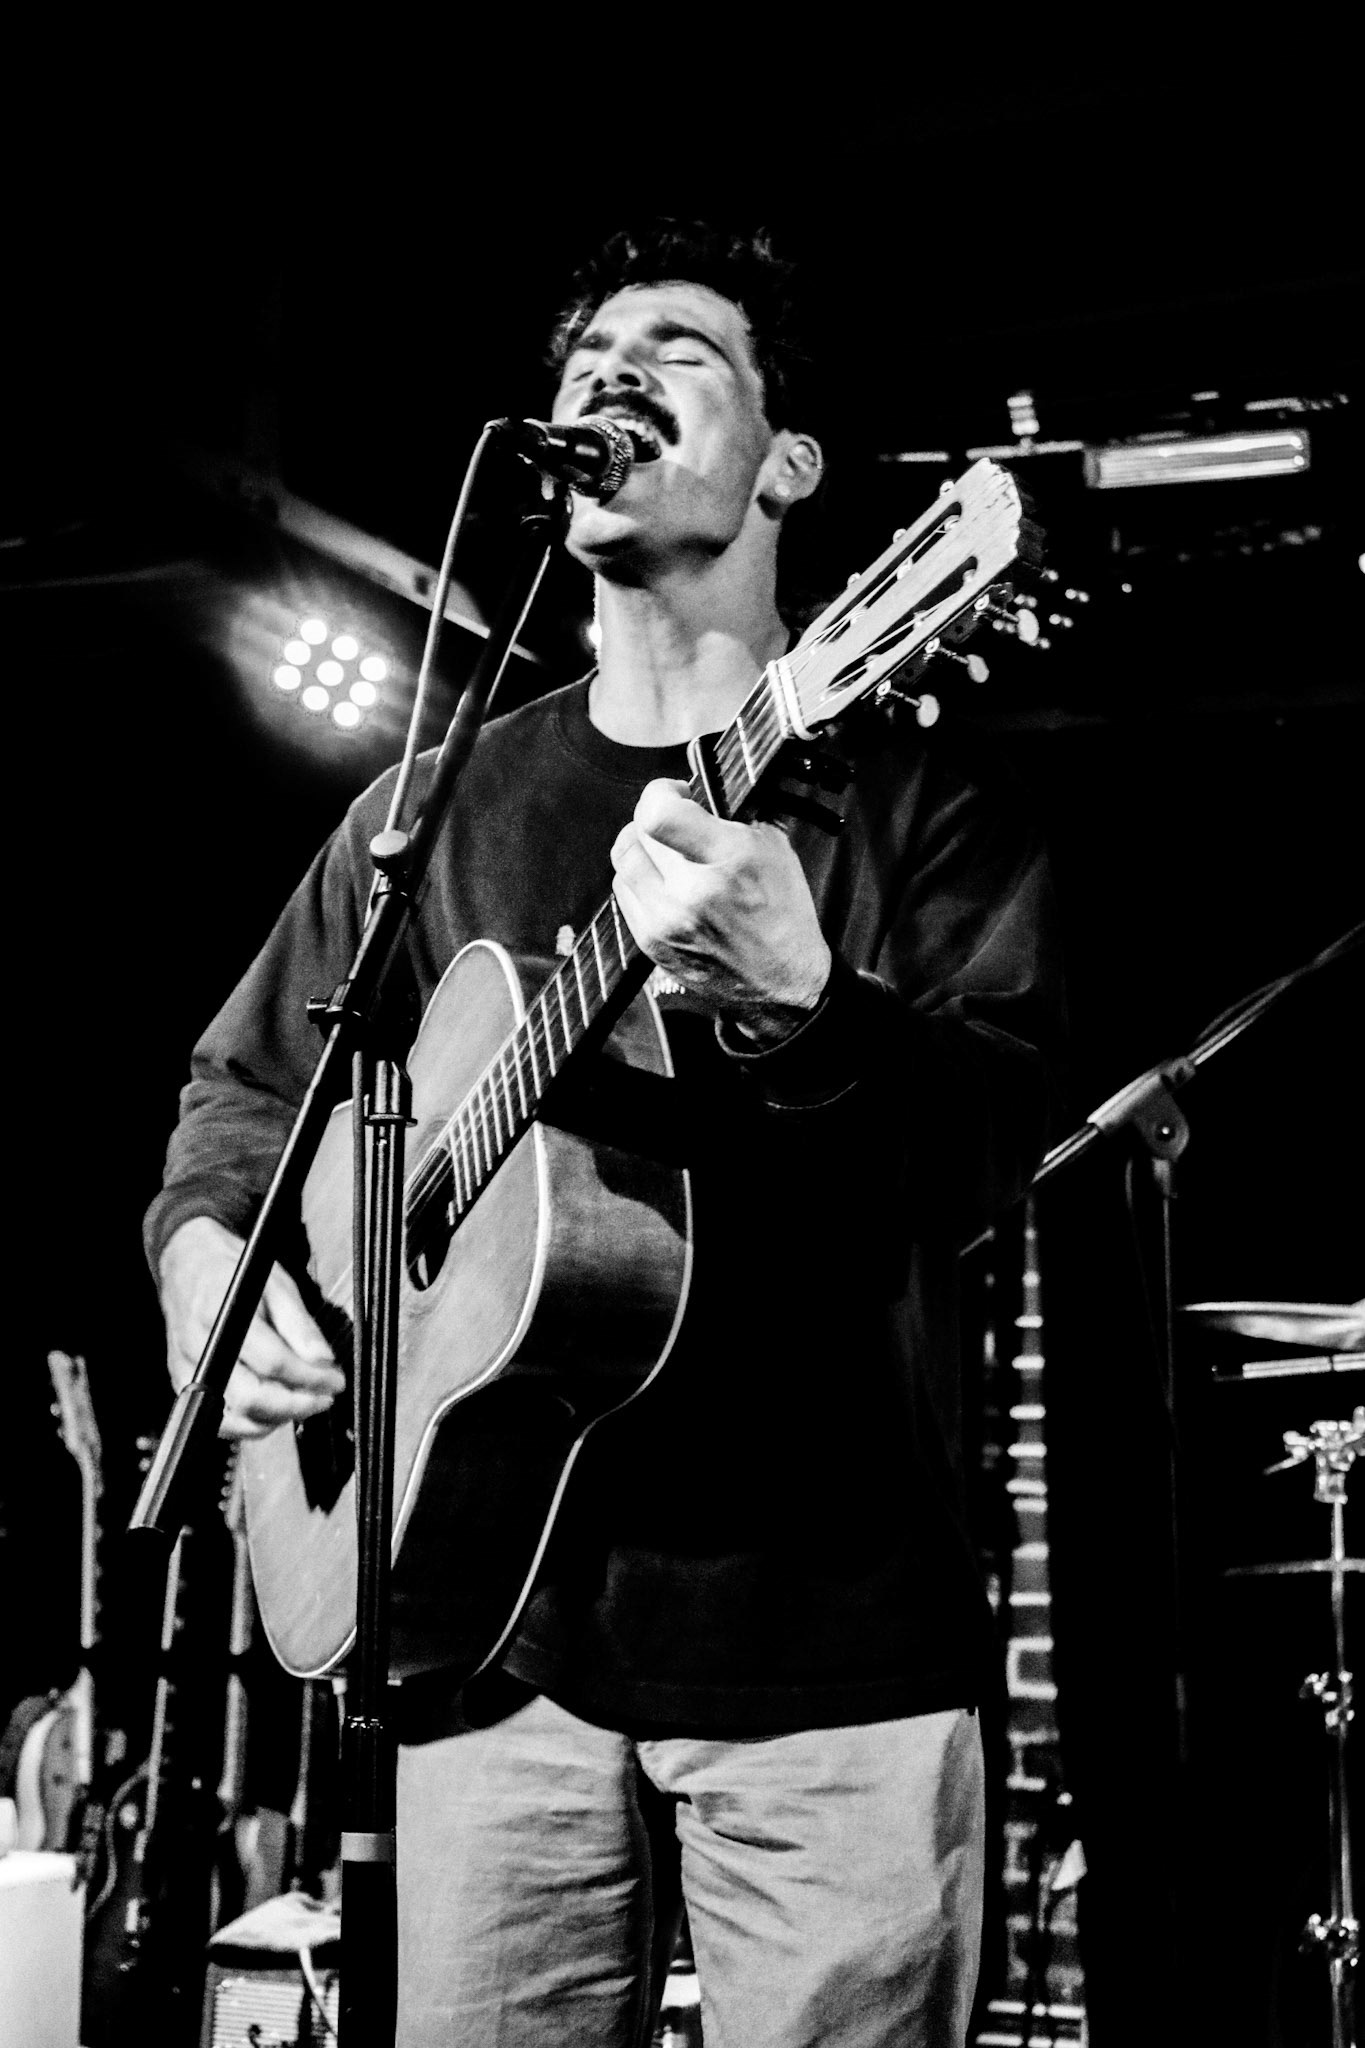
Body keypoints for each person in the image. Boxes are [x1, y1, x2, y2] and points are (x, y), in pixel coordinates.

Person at [146, 220, 1066, 2047]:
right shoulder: (435, 807)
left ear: (787, 468)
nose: (610, 378)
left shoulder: (913, 800)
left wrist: (809, 1008)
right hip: (486, 1638)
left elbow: (995, 1150)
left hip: (828, 1645)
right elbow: (242, 1095)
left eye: (678, 352)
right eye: (585, 364)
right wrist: (208, 1274)